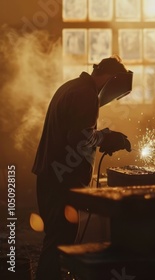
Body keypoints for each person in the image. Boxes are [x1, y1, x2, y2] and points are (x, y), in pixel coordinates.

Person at [32, 56, 132, 280]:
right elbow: (79, 137)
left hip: (51, 176)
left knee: (55, 239)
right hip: (62, 180)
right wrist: (105, 137)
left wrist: (102, 137)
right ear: (111, 79)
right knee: (60, 242)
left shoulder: (71, 86)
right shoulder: (86, 94)